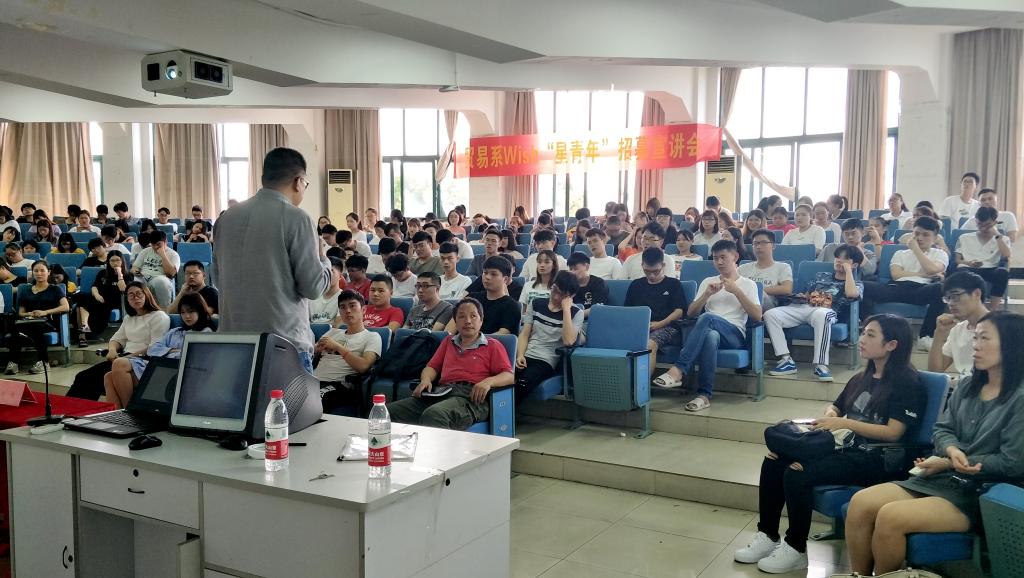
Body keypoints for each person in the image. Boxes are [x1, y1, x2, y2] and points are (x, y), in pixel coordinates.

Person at [736, 314, 924, 574]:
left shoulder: (906, 382)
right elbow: (836, 407)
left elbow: (893, 433)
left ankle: (796, 548)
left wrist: (845, 424)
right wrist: (832, 415)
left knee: (797, 471)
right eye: (863, 332)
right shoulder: (862, 377)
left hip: (875, 458)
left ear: (892, 345)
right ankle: (767, 535)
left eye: (870, 335)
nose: (862, 339)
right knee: (774, 461)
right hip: (846, 447)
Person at [843, 312, 1024, 576]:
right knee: (860, 503)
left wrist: (950, 462)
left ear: (1011, 344)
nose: (975, 345)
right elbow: (942, 429)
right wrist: (951, 450)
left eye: (985, 338)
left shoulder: (1019, 398)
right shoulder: (967, 386)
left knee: (891, 517)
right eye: (975, 338)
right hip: (944, 477)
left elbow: (1012, 462)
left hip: (983, 490)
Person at [213, 148, 332, 373]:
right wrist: (323, 260)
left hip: (234, 343)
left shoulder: (227, 218)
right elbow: (313, 287)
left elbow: (218, 280)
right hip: (282, 346)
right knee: (286, 399)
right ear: (298, 181)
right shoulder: (297, 218)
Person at [653, 240, 762, 411]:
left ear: (735, 257)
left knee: (708, 317)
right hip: (710, 331)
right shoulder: (708, 282)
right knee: (710, 336)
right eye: (715, 258)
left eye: (723, 257)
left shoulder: (748, 284)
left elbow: (757, 316)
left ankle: (679, 369)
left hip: (734, 335)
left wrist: (737, 291)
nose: (719, 262)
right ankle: (704, 396)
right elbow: (691, 313)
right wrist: (706, 294)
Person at [387, 298, 515, 430]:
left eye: (473, 316)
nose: (468, 321)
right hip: (442, 392)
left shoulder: (492, 345)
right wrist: (426, 380)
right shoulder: (448, 341)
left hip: (472, 398)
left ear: (481, 320)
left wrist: (488, 382)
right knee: (387, 412)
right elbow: (431, 367)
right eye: (461, 317)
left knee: (435, 415)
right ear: (455, 321)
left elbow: (509, 376)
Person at [766, 244, 863, 382]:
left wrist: (848, 272)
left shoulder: (857, 283)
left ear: (855, 265)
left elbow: (852, 294)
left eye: (845, 259)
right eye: (837, 257)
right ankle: (786, 360)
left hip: (827, 311)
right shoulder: (820, 275)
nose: (839, 261)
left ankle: (821, 365)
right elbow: (807, 293)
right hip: (804, 307)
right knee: (771, 314)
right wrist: (801, 297)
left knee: (821, 315)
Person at [103, 292, 214, 409]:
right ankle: (120, 414)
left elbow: (190, 355)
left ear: (200, 310)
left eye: (190, 311)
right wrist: (172, 350)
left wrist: (166, 351)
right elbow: (153, 349)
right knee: (108, 377)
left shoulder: (205, 333)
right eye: (183, 312)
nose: (187, 316)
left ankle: (130, 410)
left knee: (119, 364)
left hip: (172, 373)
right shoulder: (175, 332)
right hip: (156, 366)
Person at [67, 282, 169, 400]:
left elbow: (155, 348)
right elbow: (116, 339)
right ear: (127, 299)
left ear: (147, 295)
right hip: (123, 359)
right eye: (131, 295)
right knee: (82, 377)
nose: (135, 298)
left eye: (139, 294)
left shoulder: (159, 316)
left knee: (92, 379)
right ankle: (72, 409)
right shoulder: (129, 318)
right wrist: (112, 350)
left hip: (142, 360)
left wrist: (127, 357)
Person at [862, 216, 948, 351]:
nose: (919, 238)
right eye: (916, 234)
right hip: (896, 288)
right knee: (863, 286)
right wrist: (923, 274)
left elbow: (932, 269)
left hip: (921, 290)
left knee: (941, 288)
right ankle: (868, 331)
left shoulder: (940, 254)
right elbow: (896, 274)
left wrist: (916, 250)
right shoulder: (900, 253)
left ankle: (926, 336)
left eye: (925, 235)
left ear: (935, 237)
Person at [515, 271, 583, 403]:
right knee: (503, 379)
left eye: (562, 294)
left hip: (545, 361)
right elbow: (524, 334)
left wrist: (566, 310)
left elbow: (568, 341)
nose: (556, 297)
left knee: (522, 384)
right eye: (555, 290)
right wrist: (520, 355)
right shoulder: (536, 303)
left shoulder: (576, 313)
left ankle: (501, 414)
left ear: (571, 296)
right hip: (526, 354)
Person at [312, 289, 383, 413]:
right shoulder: (332, 332)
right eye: (343, 307)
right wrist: (316, 351)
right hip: (313, 380)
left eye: (352, 306)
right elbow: (311, 354)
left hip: (340, 385)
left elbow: (364, 366)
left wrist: (338, 347)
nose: (348, 311)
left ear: (364, 310)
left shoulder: (372, 337)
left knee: (313, 401)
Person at [0, 260, 71, 375]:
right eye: (36, 271)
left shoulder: (55, 289)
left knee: (36, 328)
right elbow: (21, 313)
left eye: (42, 270)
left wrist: (45, 312)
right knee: (14, 329)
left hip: (47, 322)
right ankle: (13, 363)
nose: (39, 273)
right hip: (28, 321)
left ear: (48, 272)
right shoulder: (26, 291)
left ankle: (44, 362)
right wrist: (31, 314)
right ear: (32, 273)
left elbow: (66, 307)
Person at [625, 248, 686, 376]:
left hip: (667, 327)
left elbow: (679, 311)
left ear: (663, 265)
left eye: (655, 271)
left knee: (649, 344)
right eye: (647, 271)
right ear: (642, 265)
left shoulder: (673, 284)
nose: (651, 275)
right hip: (641, 327)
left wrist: (659, 324)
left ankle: (641, 385)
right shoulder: (636, 285)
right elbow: (628, 311)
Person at [929, 271, 989, 379]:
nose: (951, 303)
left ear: (977, 294)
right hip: (964, 386)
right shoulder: (957, 330)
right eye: (948, 298)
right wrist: (939, 334)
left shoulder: (1000, 327)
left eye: (955, 296)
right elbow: (935, 371)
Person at [954, 206, 1011, 309]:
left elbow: (1006, 255)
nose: (983, 228)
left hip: (991, 269)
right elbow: (957, 260)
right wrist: (969, 263)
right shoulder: (964, 238)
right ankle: (972, 308)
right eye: (980, 224)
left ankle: (992, 309)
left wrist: (997, 235)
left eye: (988, 225)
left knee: (1003, 273)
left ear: (995, 222)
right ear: (976, 221)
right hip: (969, 267)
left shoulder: (1003, 239)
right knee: (961, 273)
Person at [450, 256, 522, 335]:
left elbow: (502, 334)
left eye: (493, 274)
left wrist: (474, 340)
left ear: (505, 279)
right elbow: (453, 326)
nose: (487, 277)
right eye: (485, 273)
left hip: (490, 342)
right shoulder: (471, 298)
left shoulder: (512, 306)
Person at [75, 250, 132, 345]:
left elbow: (123, 289)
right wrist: (97, 295)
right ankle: (85, 327)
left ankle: (82, 336)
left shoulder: (128, 275)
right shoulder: (103, 273)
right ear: (108, 262)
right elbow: (94, 286)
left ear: (122, 261)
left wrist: (119, 274)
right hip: (100, 298)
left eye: (118, 260)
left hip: (115, 301)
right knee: (81, 298)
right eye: (112, 260)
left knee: (82, 306)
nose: (115, 263)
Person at [738, 229, 793, 311]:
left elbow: (787, 289)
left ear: (773, 246)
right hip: (742, 305)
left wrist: (757, 290)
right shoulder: (743, 268)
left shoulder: (783, 267)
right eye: (755, 243)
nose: (758, 247)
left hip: (768, 307)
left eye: (763, 243)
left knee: (760, 295)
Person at [129, 230, 179, 308]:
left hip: (159, 278)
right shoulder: (145, 251)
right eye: (153, 244)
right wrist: (137, 272)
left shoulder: (173, 254)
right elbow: (134, 268)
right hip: (143, 278)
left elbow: (171, 274)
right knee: (133, 282)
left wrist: (163, 255)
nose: (155, 247)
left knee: (161, 282)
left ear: (165, 242)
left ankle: (164, 310)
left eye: (158, 244)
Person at [567, 253, 608, 321]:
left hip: (592, 320)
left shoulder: (599, 283)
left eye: (575, 269)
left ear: (587, 267)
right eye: (571, 269)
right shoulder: (569, 284)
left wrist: (576, 316)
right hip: (572, 320)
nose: (573, 272)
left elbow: (597, 309)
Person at [306, 257, 344, 324]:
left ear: (340, 276)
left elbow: (338, 324)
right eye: (324, 271)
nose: (327, 275)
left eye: (331, 271)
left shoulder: (344, 298)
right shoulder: (311, 296)